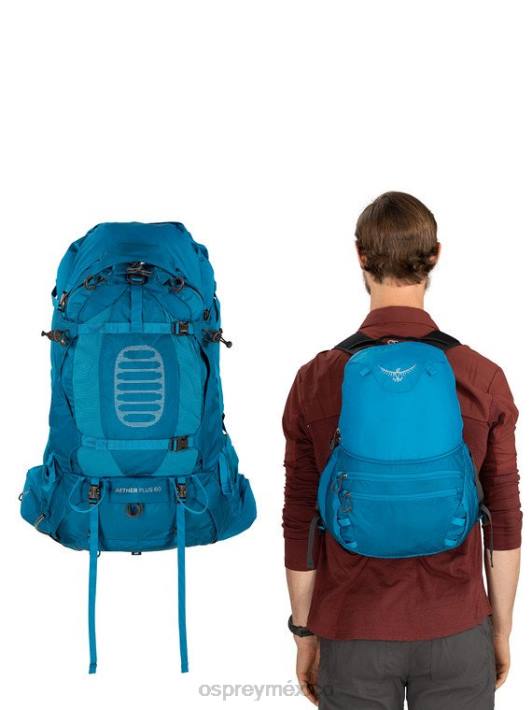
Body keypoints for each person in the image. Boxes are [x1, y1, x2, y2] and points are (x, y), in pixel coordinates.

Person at [282, 192, 521, 709]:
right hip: (457, 629)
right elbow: (503, 518)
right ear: (434, 256)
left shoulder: (316, 379)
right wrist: (500, 628)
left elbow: (301, 519)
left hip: (352, 630)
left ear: (360, 256)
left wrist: (305, 632)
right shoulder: (481, 376)